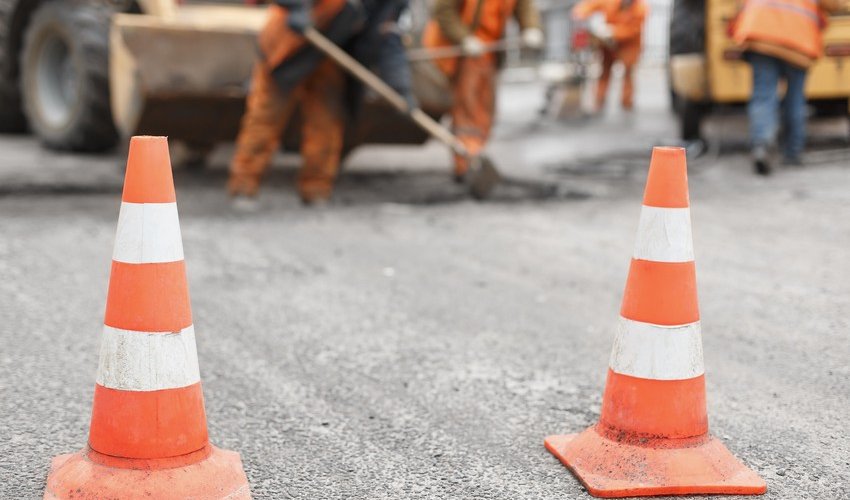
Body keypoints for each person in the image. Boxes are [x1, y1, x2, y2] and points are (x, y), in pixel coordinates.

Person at [228, 0, 413, 204]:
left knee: (326, 124)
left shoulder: (391, 4)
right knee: (266, 119)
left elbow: (388, 41)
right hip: (288, 45)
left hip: (327, 54)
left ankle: (316, 190)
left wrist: (401, 89)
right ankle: (243, 186)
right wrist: (297, 7)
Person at [423, 0, 543, 180]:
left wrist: (531, 27)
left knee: (485, 110)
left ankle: (475, 157)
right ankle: (466, 163)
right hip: (459, 51)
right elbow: (444, 12)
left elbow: (523, 6)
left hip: (488, 51)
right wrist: (464, 38)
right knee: (467, 110)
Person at [732, 0, 843, 175]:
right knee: (795, 98)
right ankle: (792, 153)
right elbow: (834, 4)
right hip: (798, 39)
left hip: (761, 33)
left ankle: (762, 145)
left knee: (763, 95)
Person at [572, 0, 647, 112]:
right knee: (605, 71)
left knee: (628, 72)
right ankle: (599, 100)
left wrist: (613, 31)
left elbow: (633, 30)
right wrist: (580, 13)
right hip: (608, 44)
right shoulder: (611, 2)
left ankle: (626, 102)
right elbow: (590, 4)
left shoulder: (641, 8)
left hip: (629, 45)